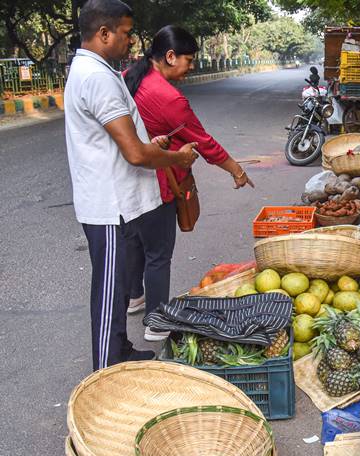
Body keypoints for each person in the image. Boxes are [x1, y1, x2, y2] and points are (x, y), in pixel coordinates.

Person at [64, 0, 198, 371]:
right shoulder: (98, 78)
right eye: (124, 34)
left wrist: (149, 145)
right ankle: (106, 372)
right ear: (104, 33)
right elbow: (135, 155)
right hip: (107, 205)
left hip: (116, 201)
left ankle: (120, 348)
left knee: (120, 285)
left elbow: (121, 142)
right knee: (109, 295)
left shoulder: (95, 70)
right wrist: (176, 159)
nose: (129, 41)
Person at [123, 25, 255, 341]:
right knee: (158, 253)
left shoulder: (131, 76)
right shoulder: (167, 97)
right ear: (170, 56)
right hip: (158, 182)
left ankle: (134, 296)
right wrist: (236, 170)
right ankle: (157, 323)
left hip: (129, 178)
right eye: (189, 59)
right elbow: (203, 143)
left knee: (138, 241)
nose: (191, 66)